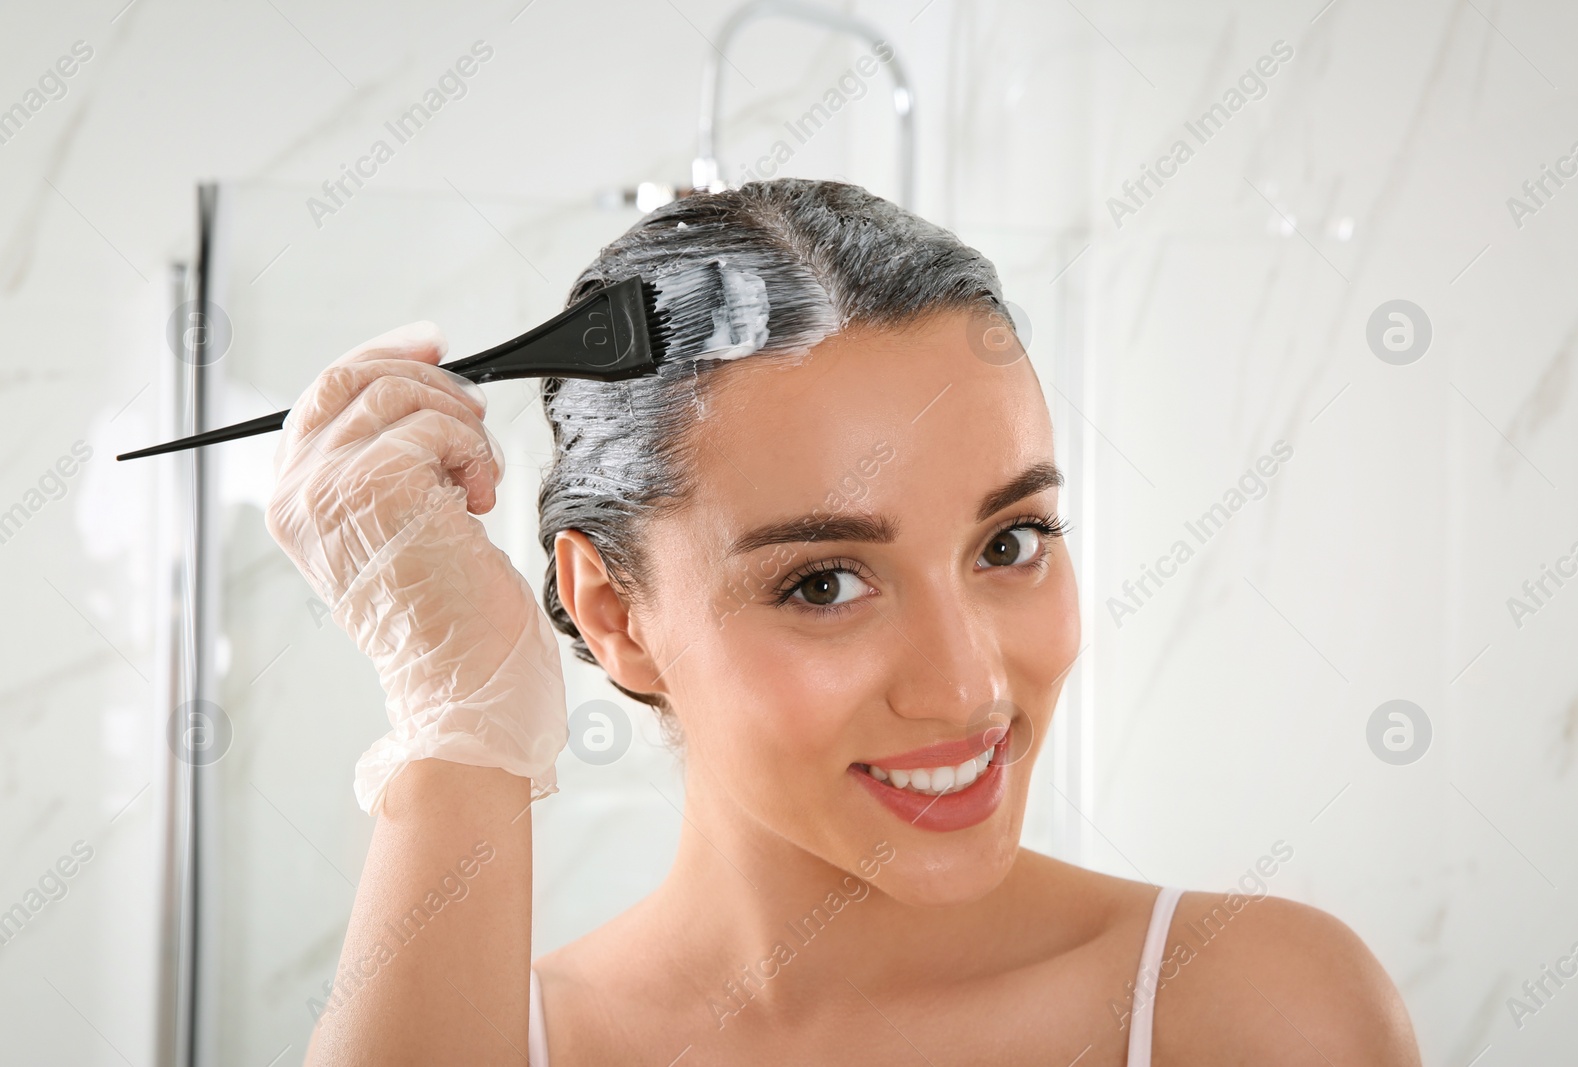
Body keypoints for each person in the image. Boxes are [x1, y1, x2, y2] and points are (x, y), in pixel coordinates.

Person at [268, 179, 1422, 1066]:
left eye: (1009, 542)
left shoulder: (1238, 1006)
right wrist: (459, 708)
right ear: (614, 612)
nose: (966, 686)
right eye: (824, 581)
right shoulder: (484, 1029)